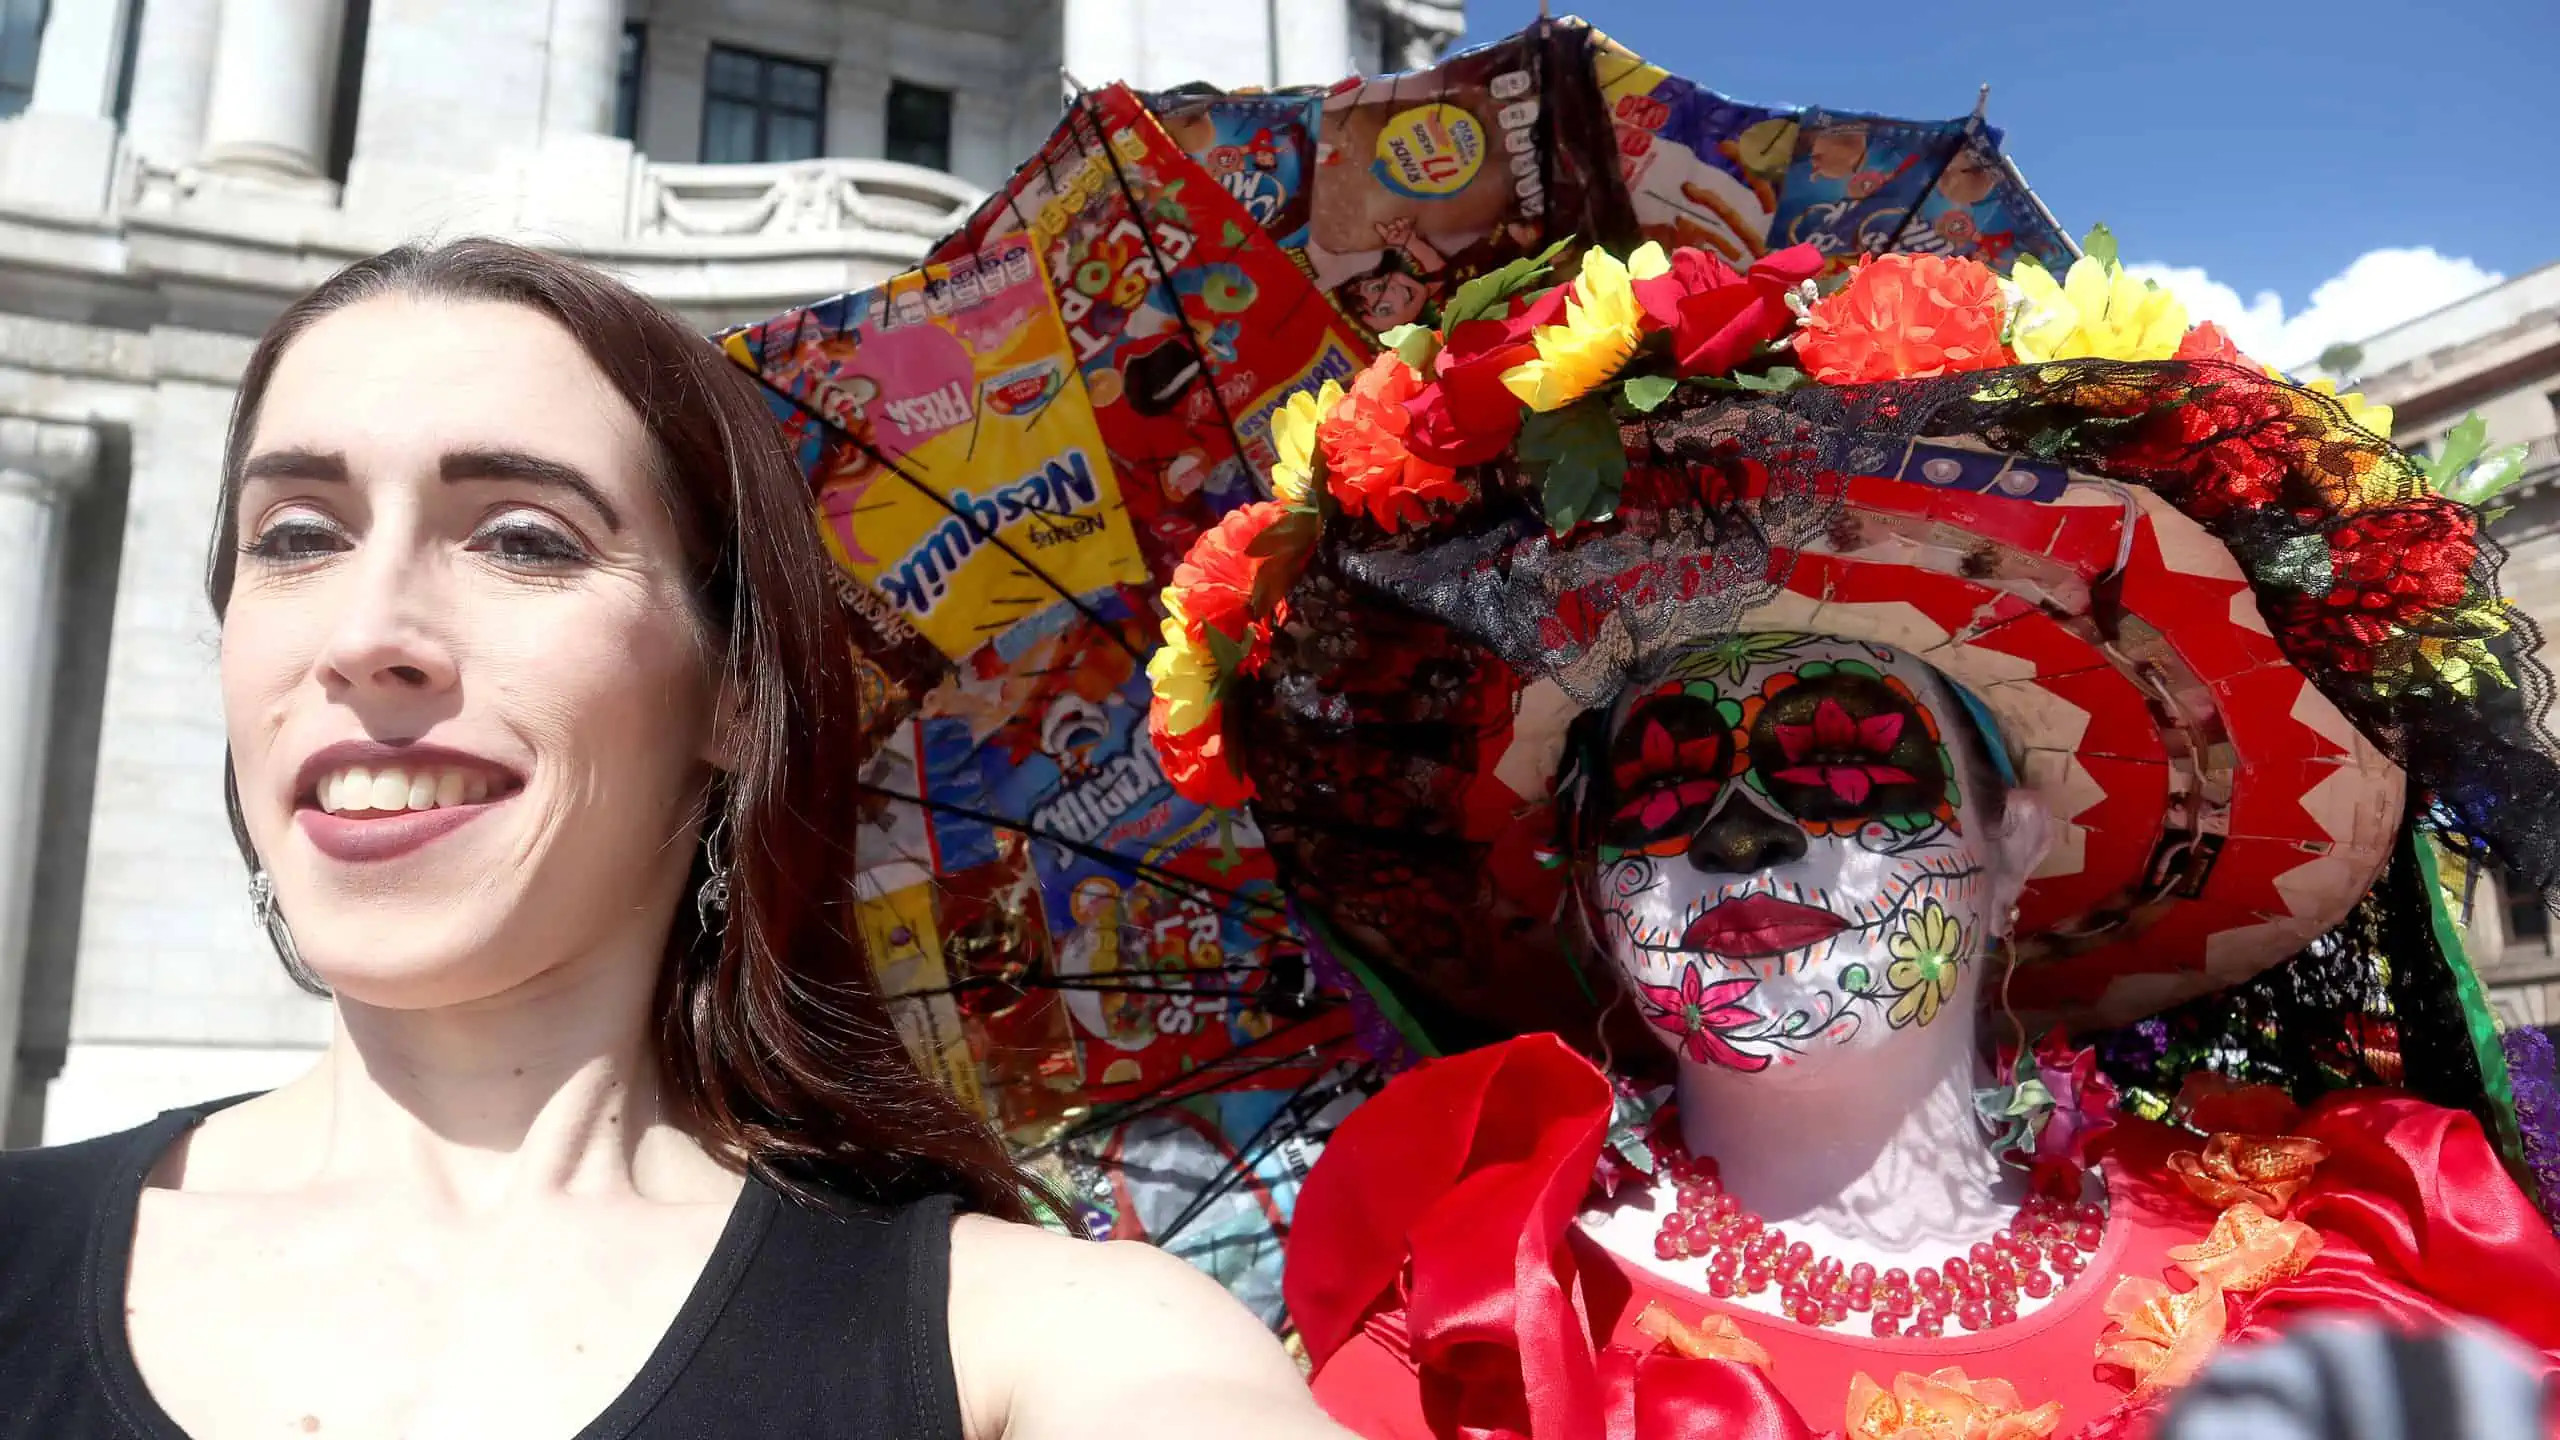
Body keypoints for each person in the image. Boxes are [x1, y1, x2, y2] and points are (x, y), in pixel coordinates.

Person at [1138, 237, 2560, 1436]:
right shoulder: (1487, 1331)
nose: (1741, 840)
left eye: (1843, 763)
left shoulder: (2331, 1258)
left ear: (2016, 838)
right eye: (1658, 788)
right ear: (1586, 884)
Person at [0, 239, 1350, 1440]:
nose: (364, 638)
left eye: (524, 540)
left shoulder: (1038, 1340)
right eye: (296, 536)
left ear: (734, 692)